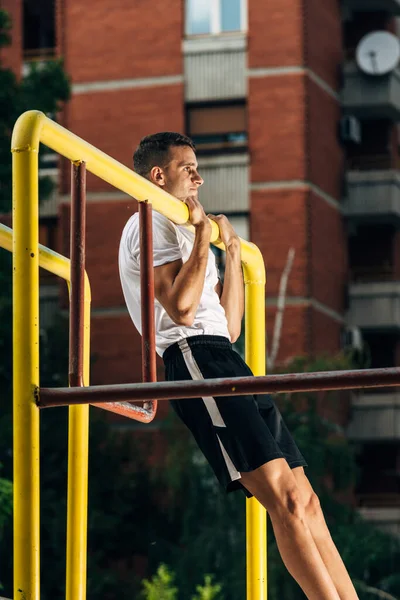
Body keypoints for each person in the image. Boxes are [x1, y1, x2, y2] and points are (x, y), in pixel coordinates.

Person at [118, 132, 359, 600]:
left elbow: (228, 326)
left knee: (307, 500)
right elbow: (182, 310)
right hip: (192, 357)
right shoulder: (150, 222)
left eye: (196, 164)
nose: (197, 173)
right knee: (284, 501)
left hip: (224, 355)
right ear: (157, 175)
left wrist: (228, 254)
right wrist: (204, 236)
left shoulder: (186, 227)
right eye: (185, 165)